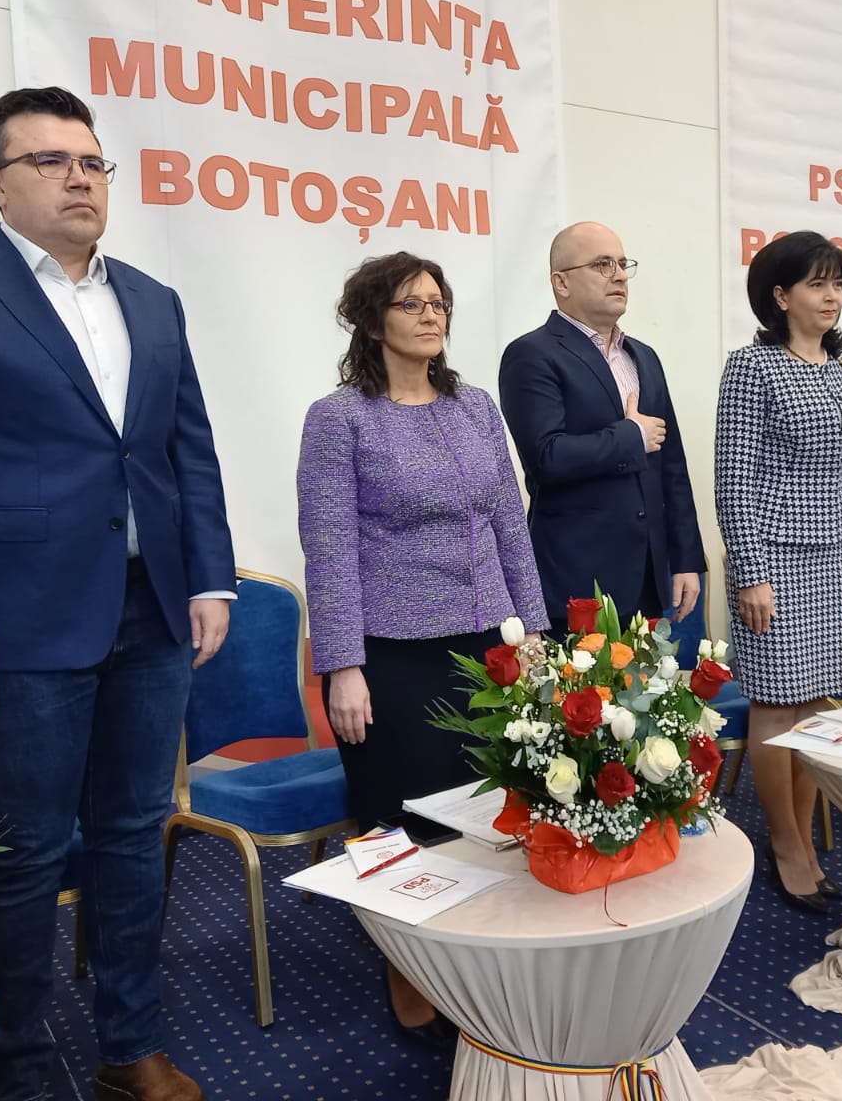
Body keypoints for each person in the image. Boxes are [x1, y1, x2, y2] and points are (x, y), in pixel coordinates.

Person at [0, 87, 234, 1101]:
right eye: (51, 161)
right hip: (16, 622)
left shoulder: (153, 301)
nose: (80, 178)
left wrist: (209, 575)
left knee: (134, 833)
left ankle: (130, 1047)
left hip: (152, 609)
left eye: (92, 161)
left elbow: (186, 455)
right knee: (24, 853)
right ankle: (16, 1068)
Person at [298, 251, 548, 1049]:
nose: (431, 314)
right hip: (390, 653)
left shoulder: (475, 406)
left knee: (488, 813)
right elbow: (328, 551)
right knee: (402, 821)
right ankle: (410, 974)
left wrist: (535, 633)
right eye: (411, 303)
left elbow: (511, 525)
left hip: (487, 641)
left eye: (438, 301)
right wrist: (341, 665)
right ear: (372, 320)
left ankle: (477, 960)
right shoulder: (340, 418)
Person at [715, 231, 842, 913]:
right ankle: (783, 842)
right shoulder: (752, 367)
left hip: (834, 555)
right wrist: (750, 572)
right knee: (778, 705)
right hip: (773, 559)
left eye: (838, 283)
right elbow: (733, 479)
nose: (832, 296)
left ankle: (806, 838)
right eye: (817, 283)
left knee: (814, 707)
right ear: (780, 296)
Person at [498, 222, 705, 628]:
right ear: (561, 282)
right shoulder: (532, 354)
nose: (620, 275)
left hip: (647, 578)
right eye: (602, 264)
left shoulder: (643, 356)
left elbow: (672, 468)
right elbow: (546, 457)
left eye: (623, 264)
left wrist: (685, 559)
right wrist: (631, 436)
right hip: (577, 581)